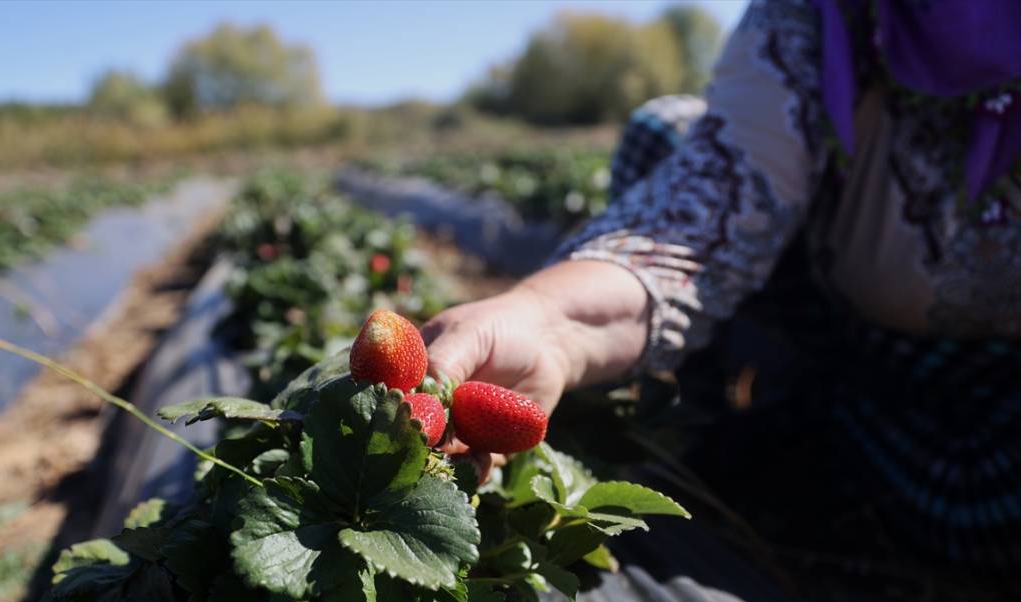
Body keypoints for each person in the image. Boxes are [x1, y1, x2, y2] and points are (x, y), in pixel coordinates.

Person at [423, 0, 1021, 568]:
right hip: (826, 300)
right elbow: (708, 204)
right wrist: (547, 324)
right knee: (664, 134)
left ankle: (807, 432)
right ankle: (715, 431)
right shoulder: (822, 14)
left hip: (988, 376)